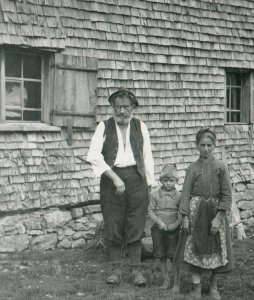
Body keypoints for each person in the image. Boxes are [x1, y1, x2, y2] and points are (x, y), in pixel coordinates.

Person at [87, 88, 155, 286]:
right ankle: (116, 269)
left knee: (136, 223)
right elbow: (93, 156)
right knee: (113, 223)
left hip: (137, 179)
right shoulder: (104, 126)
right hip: (111, 179)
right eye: (118, 107)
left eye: (126, 107)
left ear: (133, 108)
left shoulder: (140, 126)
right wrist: (115, 178)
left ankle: (136, 271)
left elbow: (147, 156)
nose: (122, 111)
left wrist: (149, 184)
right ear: (113, 108)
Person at [179, 128, 234, 300]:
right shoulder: (192, 168)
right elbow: (185, 194)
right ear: (197, 146)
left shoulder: (221, 167)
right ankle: (196, 288)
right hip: (196, 212)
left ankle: (213, 287)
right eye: (202, 145)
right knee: (195, 248)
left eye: (209, 145)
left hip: (215, 211)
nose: (206, 149)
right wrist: (185, 217)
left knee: (216, 247)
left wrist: (219, 217)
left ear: (214, 146)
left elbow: (227, 194)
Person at [148, 164, 182, 293]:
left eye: (171, 181)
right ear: (161, 181)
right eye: (165, 181)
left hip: (174, 230)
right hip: (159, 229)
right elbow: (150, 211)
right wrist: (159, 222)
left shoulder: (179, 196)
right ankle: (165, 280)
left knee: (174, 256)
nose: (168, 184)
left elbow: (182, 212)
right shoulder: (155, 195)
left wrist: (177, 223)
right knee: (161, 255)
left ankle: (176, 282)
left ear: (176, 181)